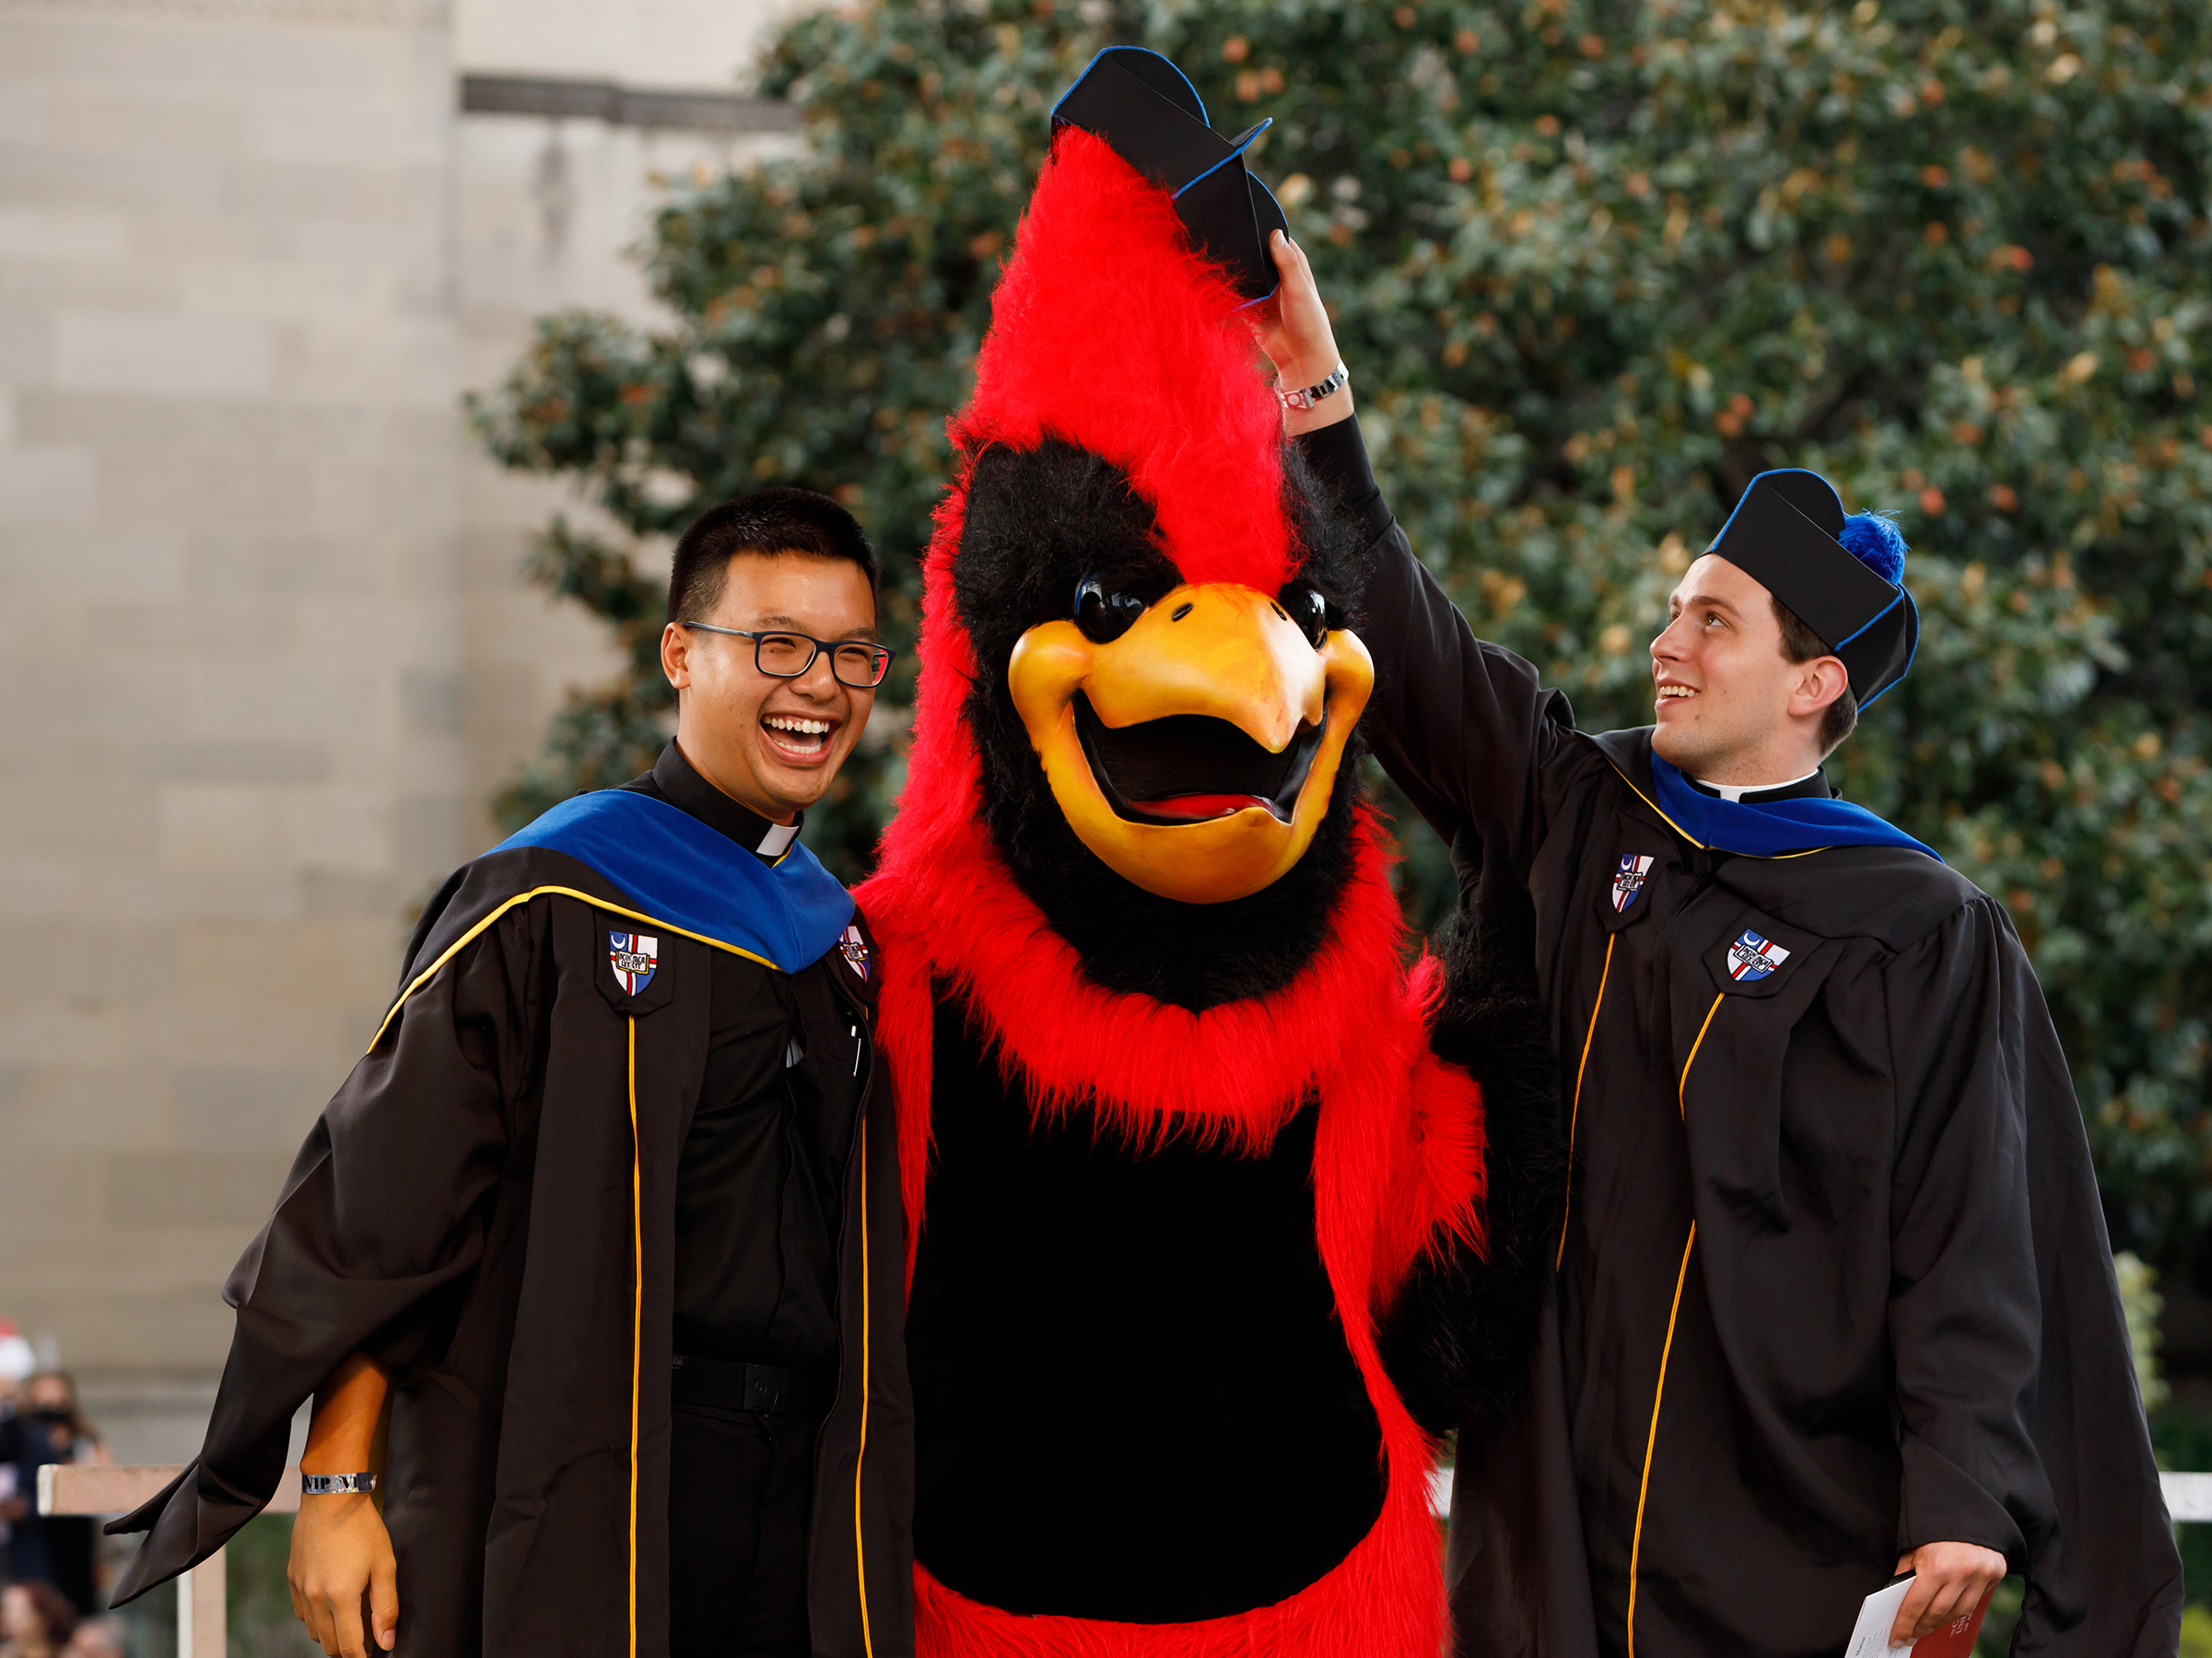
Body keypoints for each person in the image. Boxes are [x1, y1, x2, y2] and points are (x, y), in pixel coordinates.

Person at [1253, 232, 2184, 1655]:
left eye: (1710, 620)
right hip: (1553, 1508)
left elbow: (1971, 1239)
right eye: (1672, 609)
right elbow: (1415, 653)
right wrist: (1317, 402)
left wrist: (1960, 1495)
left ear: (1814, 681)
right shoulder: (1578, 811)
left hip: (1787, 1527)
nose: (1662, 643)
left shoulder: (1916, 929)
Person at [104, 488, 915, 1658]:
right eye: (777, 646)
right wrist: (335, 1488)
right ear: (681, 655)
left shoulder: (834, 938)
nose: (819, 687)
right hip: (607, 1468)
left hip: (801, 1512)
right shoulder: (550, 897)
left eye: (850, 654)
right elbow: (388, 1209)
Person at [7, 1378, 106, 1615]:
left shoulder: (83, 1439)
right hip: (35, 1541)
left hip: (74, 1538)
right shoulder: (21, 1440)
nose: (51, 1407)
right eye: (43, 1400)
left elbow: (103, 1486)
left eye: (58, 1400)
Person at [0, 1582, 76, 1658]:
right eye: (7, 1609)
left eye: (21, 1611)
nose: (10, 1617)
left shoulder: (73, 1652)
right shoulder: (5, 1654)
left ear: (44, 1616)